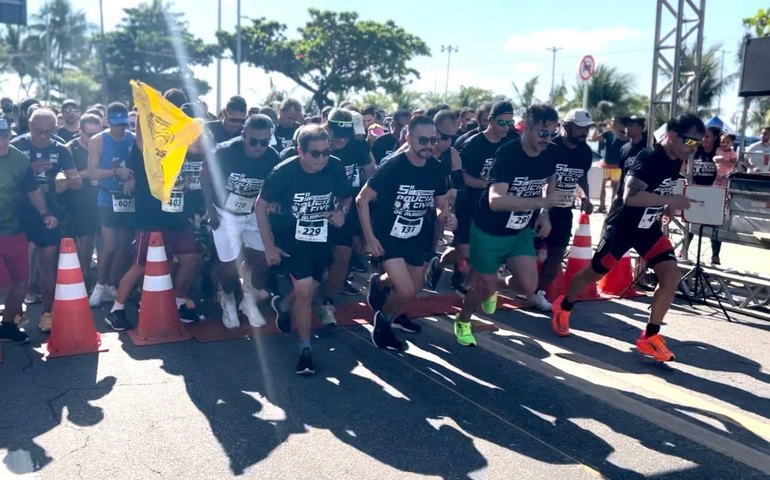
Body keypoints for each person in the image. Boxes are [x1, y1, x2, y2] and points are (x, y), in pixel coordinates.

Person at [552, 112, 705, 362]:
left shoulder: (676, 159)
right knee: (595, 273)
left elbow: (658, 191)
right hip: (622, 227)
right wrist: (669, 200)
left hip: (647, 228)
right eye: (690, 142)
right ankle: (565, 304)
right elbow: (630, 197)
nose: (693, 148)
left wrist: (666, 207)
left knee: (671, 275)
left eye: (698, 144)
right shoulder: (649, 157)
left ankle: (650, 336)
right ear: (673, 135)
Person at [453, 104, 565, 347]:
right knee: (483, 289)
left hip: (519, 229)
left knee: (529, 287)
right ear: (526, 127)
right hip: (488, 230)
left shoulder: (551, 152)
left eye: (552, 133)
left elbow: (551, 178)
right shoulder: (508, 154)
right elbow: (495, 200)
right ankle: (463, 320)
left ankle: (494, 285)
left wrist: (544, 212)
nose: (547, 139)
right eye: (542, 133)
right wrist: (541, 201)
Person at [257, 125, 350, 375]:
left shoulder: (336, 166)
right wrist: (269, 247)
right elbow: (260, 207)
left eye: (326, 152)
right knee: (305, 289)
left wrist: (341, 212)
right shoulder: (283, 173)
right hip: (290, 238)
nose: (322, 158)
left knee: (316, 284)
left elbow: (346, 196)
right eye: (315, 153)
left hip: (320, 237)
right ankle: (305, 350)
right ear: (301, 151)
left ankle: (285, 306)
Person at [357, 115, 455, 350]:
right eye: (423, 140)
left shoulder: (437, 168)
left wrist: (447, 214)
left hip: (416, 234)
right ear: (409, 138)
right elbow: (362, 200)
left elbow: (441, 201)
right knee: (406, 289)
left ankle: (380, 285)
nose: (429, 146)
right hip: (389, 234)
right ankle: (383, 322)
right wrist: (370, 238)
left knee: (415, 287)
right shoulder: (393, 166)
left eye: (434, 140)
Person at [105, 115, 202, 330]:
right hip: (150, 217)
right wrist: (146, 107)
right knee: (140, 265)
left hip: (177, 215)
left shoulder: (179, 148)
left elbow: (200, 146)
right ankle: (116, 310)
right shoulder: (145, 149)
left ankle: (177, 303)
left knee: (190, 258)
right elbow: (140, 137)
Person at [201, 114, 281, 329]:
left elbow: (276, 187)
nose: (258, 147)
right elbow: (205, 176)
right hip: (225, 213)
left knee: (263, 259)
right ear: (244, 135)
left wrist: (273, 203)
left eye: (264, 142)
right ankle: (227, 297)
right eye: (253, 141)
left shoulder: (272, 157)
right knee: (228, 267)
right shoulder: (225, 152)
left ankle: (248, 299)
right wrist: (210, 210)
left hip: (254, 213)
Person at [427, 100, 514, 295]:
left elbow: (455, 184)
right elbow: (463, 180)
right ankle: (441, 263)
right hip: (469, 202)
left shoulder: (509, 143)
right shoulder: (472, 144)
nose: (506, 127)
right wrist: (489, 185)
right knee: (463, 251)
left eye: (510, 123)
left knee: (484, 248)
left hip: (490, 205)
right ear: (490, 121)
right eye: (502, 122)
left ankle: (467, 284)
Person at [12, 109, 79, 332]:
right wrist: (30, 170)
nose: (43, 137)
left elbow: (77, 181)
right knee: (20, 271)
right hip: (18, 214)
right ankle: (16, 314)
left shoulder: (60, 148)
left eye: (48, 133)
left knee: (48, 267)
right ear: (29, 125)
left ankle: (47, 314)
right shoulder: (16, 146)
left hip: (49, 214)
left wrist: (67, 180)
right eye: (38, 131)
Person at [0, 114, 59, 344]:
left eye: (5, 137)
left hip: (14, 228)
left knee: (20, 283)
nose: (3, 142)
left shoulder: (18, 160)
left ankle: (7, 326)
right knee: (3, 284)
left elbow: (32, 189)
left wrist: (45, 213)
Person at [316, 109, 370, 326]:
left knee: (344, 254)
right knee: (314, 260)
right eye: (335, 134)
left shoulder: (358, 145)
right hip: (309, 206)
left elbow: (370, 170)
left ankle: (327, 302)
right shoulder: (313, 139)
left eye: (344, 135)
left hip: (342, 205)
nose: (340, 139)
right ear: (325, 126)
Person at [536, 109, 595, 301]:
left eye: (587, 128)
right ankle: (518, 284)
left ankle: (540, 293)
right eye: (579, 128)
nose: (584, 132)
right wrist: (542, 208)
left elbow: (581, 177)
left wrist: (585, 197)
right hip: (538, 208)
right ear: (567, 126)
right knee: (530, 252)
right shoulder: (551, 147)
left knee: (557, 253)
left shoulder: (585, 152)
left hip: (564, 209)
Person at [87, 102, 136, 308]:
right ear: (107, 122)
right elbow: (92, 171)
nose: (121, 128)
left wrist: (132, 177)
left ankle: (112, 283)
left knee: (124, 245)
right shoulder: (98, 140)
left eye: (124, 124)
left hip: (128, 197)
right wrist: (116, 173)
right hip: (108, 197)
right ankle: (99, 284)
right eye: (117, 125)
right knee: (109, 246)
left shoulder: (132, 139)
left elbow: (139, 166)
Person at [63, 114, 103, 282]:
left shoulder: (105, 144)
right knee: (85, 242)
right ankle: (83, 277)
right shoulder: (70, 148)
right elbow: (67, 176)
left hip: (101, 199)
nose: (93, 139)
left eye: (97, 134)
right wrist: (90, 173)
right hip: (79, 201)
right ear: (80, 131)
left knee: (103, 243)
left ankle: (101, 278)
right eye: (89, 135)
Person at [594, 117, 627, 212]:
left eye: (615, 122)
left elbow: (623, 139)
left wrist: (614, 129)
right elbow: (595, 138)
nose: (612, 123)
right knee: (601, 186)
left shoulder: (623, 134)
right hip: (605, 163)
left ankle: (612, 207)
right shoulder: (608, 133)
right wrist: (596, 128)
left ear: (619, 123)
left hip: (616, 165)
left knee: (615, 188)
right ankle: (602, 206)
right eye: (612, 121)